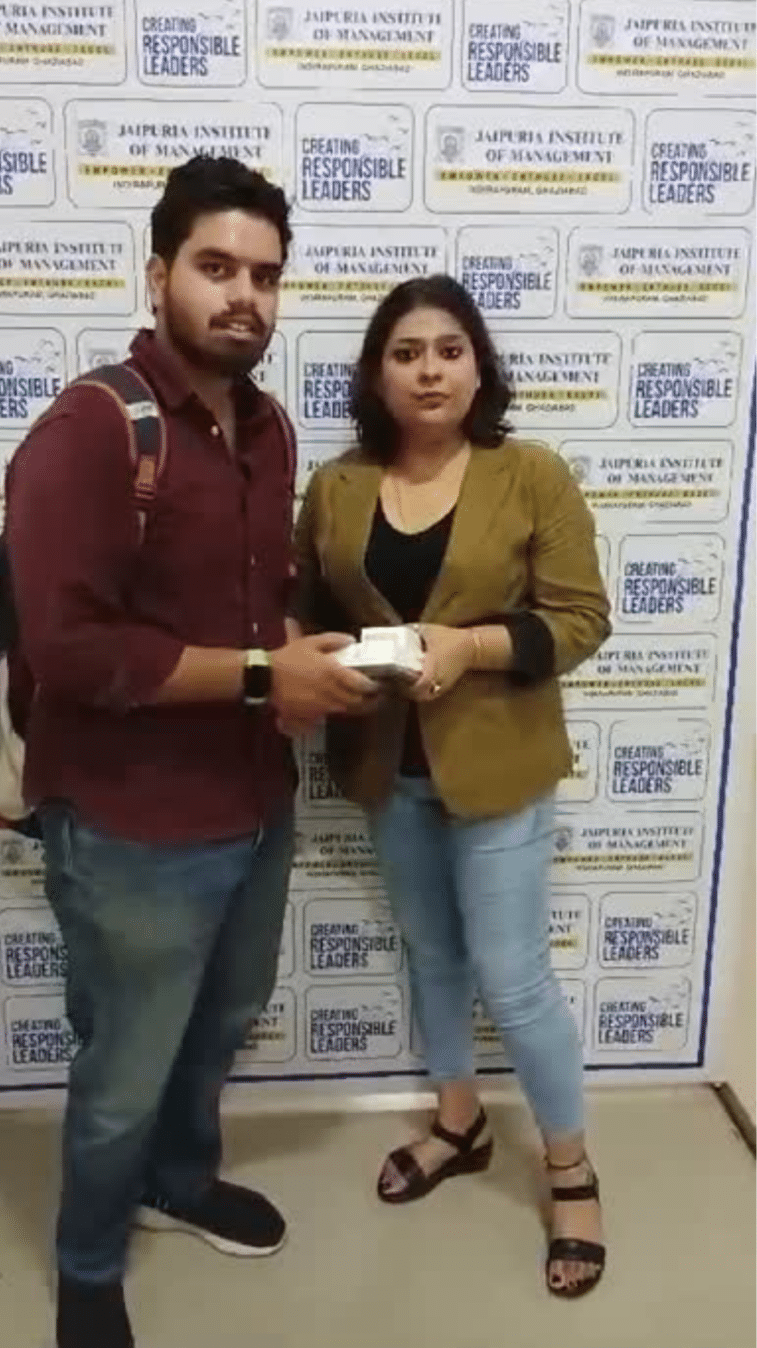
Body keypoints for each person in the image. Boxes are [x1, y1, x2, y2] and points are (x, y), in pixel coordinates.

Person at [5, 155, 377, 1348]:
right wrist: (269, 674)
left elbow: (248, 606)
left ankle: (179, 1177)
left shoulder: (268, 429)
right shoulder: (90, 427)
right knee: (127, 1064)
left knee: (220, 1024)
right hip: (129, 823)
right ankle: (87, 1264)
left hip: (254, 801)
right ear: (159, 273)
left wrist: (300, 654)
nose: (244, 296)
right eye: (217, 268)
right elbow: (72, 650)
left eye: (265, 275)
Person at [289, 275, 611, 1299]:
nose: (429, 369)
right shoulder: (337, 486)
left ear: (479, 368)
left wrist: (470, 645)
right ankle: (460, 1124)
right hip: (387, 769)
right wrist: (307, 657)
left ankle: (570, 1167)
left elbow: (581, 619)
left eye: (449, 349)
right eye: (405, 352)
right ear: (377, 375)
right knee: (431, 957)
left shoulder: (531, 475)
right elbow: (303, 605)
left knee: (513, 981)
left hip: (499, 770)